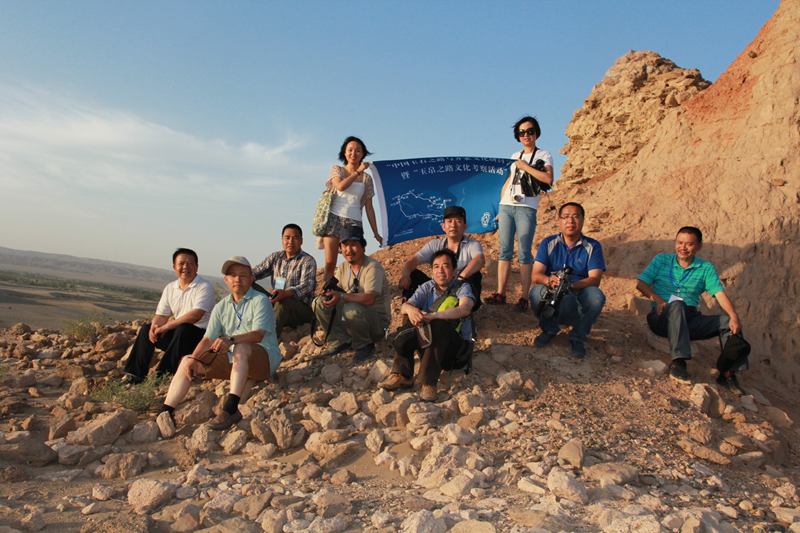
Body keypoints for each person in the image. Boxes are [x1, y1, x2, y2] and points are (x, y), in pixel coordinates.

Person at [158, 257, 280, 431]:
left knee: (241, 347)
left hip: (263, 360)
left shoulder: (260, 300)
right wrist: (194, 358)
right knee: (187, 360)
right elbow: (208, 339)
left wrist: (230, 340)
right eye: (233, 275)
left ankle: (230, 409)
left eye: (243, 275)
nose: (237, 279)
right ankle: (165, 411)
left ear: (251, 279)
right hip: (235, 361)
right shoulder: (221, 307)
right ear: (226, 280)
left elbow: (257, 335)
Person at [636, 227, 749, 394]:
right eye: (680, 242)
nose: (683, 247)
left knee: (727, 322)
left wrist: (733, 315)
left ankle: (727, 374)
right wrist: (658, 300)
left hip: (689, 318)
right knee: (677, 304)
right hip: (662, 316)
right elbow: (641, 284)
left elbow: (719, 293)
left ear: (698, 246)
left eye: (689, 244)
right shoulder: (662, 260)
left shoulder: (706, 268)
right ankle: (678, 362)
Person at [381, 249, 474, 402]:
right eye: (436, 266)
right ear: (432, 270)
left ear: (454, 271)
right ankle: (403, 375)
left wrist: (434, 316)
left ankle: (429, 383)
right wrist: (411, 310)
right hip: (430, 345)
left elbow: (465, 309)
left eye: (445, 266)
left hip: (453, 352)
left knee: (437, 324)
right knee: (410, 315)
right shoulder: (427, 287)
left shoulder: (462, 287)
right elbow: (405, 307)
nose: (440, 271)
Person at [487, 116, 554, 312]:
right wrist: (500, 205)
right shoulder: (515, 155)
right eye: (522, 132)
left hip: (527, 207)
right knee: (505, 251)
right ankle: (501, 293)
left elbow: (548, 179)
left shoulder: (544, 155)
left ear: (536, 133)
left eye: (530, 131)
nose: (526, 135)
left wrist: (526, 167)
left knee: (525, 253)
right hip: (507, 206)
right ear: (518, 136)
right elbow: (509, 181)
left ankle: (524, 297)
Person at [121, 248, 216, 385]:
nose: (185, 267)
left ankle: (162, 374)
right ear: (174, 267)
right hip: (179, 338)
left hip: (201, 338)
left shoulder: (204, 286)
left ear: (197, 267)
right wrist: (155, 326)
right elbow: (161, 315)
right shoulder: (170, 288)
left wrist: (166, 327)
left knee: (183, 328)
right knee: (146, 330)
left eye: (190, 263)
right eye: (181, 264)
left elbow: (196, 315)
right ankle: (136, 374)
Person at [529, 203, 606, 358]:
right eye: (566, 217)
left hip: (576, 297)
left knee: (595, 296)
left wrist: (570, 285)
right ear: (560, 220)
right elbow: (535, 275)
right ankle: (549, 329)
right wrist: (550, 280)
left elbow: (595, 279)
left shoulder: (593, 246)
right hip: (553, 296)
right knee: (536, 292)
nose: (571, 221)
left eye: (576, 217)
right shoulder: (548, 243)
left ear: (582, 220)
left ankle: (578, 336)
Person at [312, 226, 390, 362]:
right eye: (344, 245)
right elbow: (339, 294)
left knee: (351, 309)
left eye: (353, 245)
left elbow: (370, 299)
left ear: (363, 247)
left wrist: (342, 296)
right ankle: (340, 341)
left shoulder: (372, 267)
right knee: (319, 303)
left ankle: (364, 344)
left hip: (377, 324)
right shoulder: (343, 267)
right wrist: (330, 293)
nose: (348, 250)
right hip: (352, 319)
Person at [318, 136, 383, 280]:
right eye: (350, 150)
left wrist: (376, 234)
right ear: (345, 153)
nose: (354, 153)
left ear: (363, 154)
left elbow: (369, 208)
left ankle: (354, 290)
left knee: (355, 262)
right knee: (330, 263)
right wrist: (358, 171)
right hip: (334, 218)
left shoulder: (367, 179)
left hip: (354, 222)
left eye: (358, 150)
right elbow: (340, 186)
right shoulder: (337, 170)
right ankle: (327, 291)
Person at [398, 205, 485, 311]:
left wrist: (461, 277)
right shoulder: (434, 245)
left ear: (465, 226)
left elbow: (480, 259)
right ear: (443, 226)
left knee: (475, 275)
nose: (453, 225)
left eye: (458, 221)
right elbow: (414, 260)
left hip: (461, 290)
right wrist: (406, 275)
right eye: (449, 221)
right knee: (414, 274)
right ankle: (413, 308)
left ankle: (466, 308)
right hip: (439, 288)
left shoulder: (472, 244)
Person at [253, 223, 317, 339]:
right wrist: (243, 276)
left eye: (295, 238)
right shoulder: (276, 257)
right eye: (287, 238)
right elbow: (257, 271)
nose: (290, 242)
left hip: (300, 311)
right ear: (282, 240)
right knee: (248, 284)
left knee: (284, 301)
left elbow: (307, 286)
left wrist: (286, 293)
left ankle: (270, 341)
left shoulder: (307, 260)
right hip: (276, 302)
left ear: (301, 241)